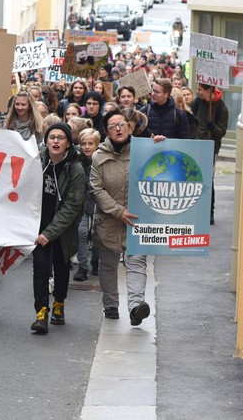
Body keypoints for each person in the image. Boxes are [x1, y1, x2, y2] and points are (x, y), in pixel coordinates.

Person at [92, 108, 159, 325]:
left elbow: (163, 166)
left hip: (138, 217)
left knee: (137, 261)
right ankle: (110, 304)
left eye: (121, 124)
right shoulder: (98, 156)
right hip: (110, 219)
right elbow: (96, 189)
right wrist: (118, 211)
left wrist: (162, 146)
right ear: (107, 131)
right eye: (113, 126)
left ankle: (136, 307)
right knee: (108, 264)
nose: (118, 128)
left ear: (129, 126)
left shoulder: (145, 149)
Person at [30, 123, 85, 334]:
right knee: (41, 267)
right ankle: (41, 313)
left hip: (63, 230)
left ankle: (59, 304)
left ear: (68, 143)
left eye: (61, 138)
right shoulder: (37, 160)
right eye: (52, 137)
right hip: (38, 224)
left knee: (61, 268)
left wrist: (50, 233)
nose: (55, 141)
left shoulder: (75, 169)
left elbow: (73, 206)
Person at [191, 83, 229, 224]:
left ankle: (209, 213)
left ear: (209, 90)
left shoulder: (221, 108)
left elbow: (222, 132)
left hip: (210, 148)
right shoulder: (197, 102)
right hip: (195, 145)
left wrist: (213, 128)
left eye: (200, 90)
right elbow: (189, 117)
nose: (198, 92)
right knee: (193, 179)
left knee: (208, 180)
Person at [73, 128, 101, 281]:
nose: (87, 147)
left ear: (97, 145)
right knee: (81, 233)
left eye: (91, 143)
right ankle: (83, 267)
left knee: (96, 234)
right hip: (81, 202)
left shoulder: (101, 160)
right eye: (84, 143)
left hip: (98, 202)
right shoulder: (76, 160)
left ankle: (95, 261)